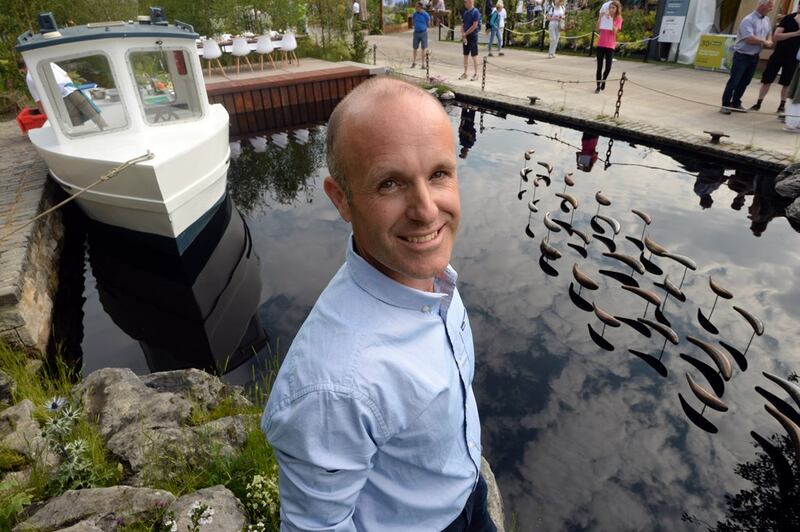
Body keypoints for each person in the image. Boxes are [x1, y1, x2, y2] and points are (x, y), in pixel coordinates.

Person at [262, 77, 492, 531]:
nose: (426, 210)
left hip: (466, 492)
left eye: (439, 174)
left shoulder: (431, 279)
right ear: (341, 199)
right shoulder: (333, 386)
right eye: (390, 183)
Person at [19, 58, 107, 130]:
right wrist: (73, 87)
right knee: (92, 112)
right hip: (72, 90)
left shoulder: (29, 78)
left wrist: (47, 116)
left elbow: (38, 100)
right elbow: (65, 75)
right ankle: (106, 128)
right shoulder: (46, 62)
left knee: (75, 119)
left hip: (62, 98)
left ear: (23, 69)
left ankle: (81, 136)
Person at [720, 0, 774, 114]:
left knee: (745, 81)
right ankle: (725, 104)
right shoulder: (748, 20)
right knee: (734, 81)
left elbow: (769, 33)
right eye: (770, 6)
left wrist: (769, 40)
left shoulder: (767, 20)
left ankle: (736, 102)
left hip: (754, 56)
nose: (772, 9)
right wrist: (764, 41)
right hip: (742, 55)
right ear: (762, 6)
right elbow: (749, 38)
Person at [750, 10, 800, 113]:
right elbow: (776, 36)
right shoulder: (788, 18)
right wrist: (795, 33)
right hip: (779, 54)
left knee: (787, 83)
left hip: (793, 57)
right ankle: (758, 102)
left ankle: (782, 105)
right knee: (767, 79)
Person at [594, 0, 622, 93]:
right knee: (599, 66)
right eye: (610, 7)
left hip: (610, 45)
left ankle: (604, 80)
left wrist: (610, 19)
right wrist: (600, 18)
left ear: (617, 9)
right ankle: (598, 86)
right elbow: (597, 29)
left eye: (613, 8)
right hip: (601, 44)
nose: (611, 9)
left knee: (608, 67)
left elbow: (615, 31)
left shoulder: (618, 18)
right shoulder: (604, 17)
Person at [461, 0, 482, 80]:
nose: (464, 3)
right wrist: (463, 35)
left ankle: (476, 74)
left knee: (474, 55)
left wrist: (465, 33)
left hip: (473, 36)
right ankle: (465, 73)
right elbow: (463, 24)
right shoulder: (465, 12)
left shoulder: (475, 12)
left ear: (470, 2)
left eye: (466, 2)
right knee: (465, 55)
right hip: (466, 36)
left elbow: (474, 25)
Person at [411, 1, 431, 69]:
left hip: (423, 33)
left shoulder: (425, 14)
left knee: (423, 49)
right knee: (415, 48)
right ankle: (414, 62)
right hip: (416, 32)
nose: (416, 8)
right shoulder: (415, 14)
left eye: (417, 7)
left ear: (420, 7)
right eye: (415, 7)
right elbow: (413, 21)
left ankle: (423, 64)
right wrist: (415, 26)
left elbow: (428, 23)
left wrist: (424, 27)